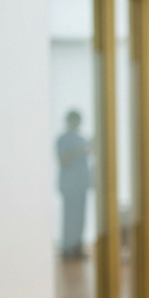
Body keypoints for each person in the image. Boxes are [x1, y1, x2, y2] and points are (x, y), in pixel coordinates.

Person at [56, 110, 91, 259]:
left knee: (80, 218)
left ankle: (77, 247)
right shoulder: (62, 140)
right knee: (69, 218)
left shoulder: (81, 139)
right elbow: (63, 160)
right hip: (69, 186)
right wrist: (81, 150)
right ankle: (67, 249)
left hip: (81, 184)